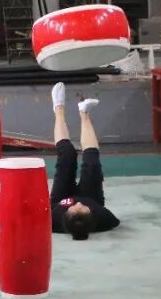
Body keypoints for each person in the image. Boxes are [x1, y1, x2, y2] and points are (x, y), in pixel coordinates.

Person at [49, 83, 120, 240]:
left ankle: (58, 108)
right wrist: (91, 204)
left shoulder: (52, 220)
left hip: (61, 198)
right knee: (92, 162)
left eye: (74, 208)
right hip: (91, 197)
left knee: (67, 154)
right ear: (92, 216)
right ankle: (84, 112)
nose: (78, 204)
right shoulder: (104, 219)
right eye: (83, 209)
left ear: (65, 214)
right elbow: (116, 222)